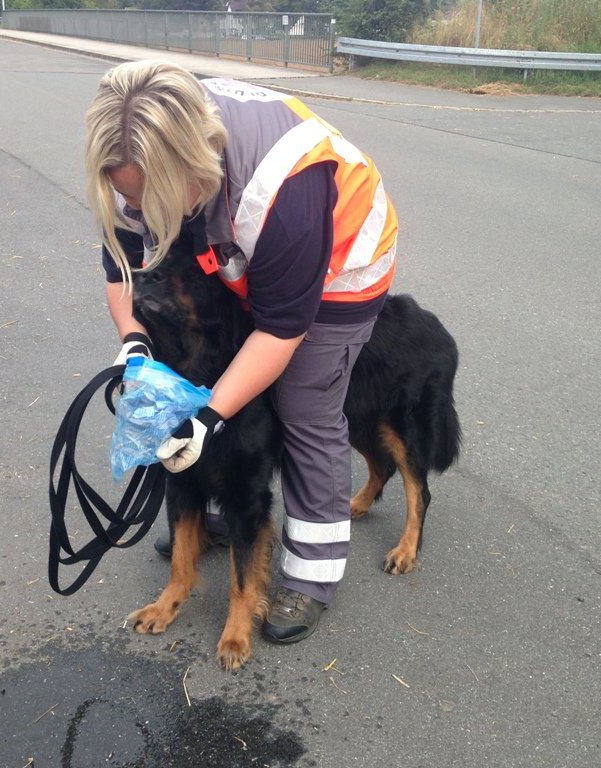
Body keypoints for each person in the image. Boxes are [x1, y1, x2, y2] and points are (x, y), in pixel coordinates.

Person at [85, 61, 398, 645]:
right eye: (129, 196)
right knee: (225, 387)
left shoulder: (287, 185)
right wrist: (133, 342)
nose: (137, 209)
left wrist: (205, 419)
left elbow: (279, 331)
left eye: (148, 198)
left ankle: (311, 573)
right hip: (251, 245)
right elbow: (122, 270)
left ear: (191, 163)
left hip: (343, 260)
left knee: (302, 402)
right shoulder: (136, 149)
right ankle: (224, 518)